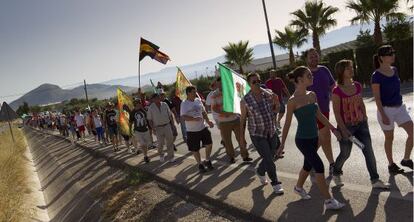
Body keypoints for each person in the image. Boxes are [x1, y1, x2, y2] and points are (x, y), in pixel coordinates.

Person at [279, 66, 345, 210]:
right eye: (309, 76)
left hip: (314, 138)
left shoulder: (312, 95)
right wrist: (282, 144)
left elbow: (319, 115)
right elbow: (287, 124)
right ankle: (328, 201)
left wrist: (333, 129)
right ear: (300, 80)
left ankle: (298, 187)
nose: (312, 77)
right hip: (302, 140)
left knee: (307, 166)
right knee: (319, 166)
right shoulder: (292, 101)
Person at [331, 60, 390, 189]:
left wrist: (365, 118)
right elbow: (336, 113)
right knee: (345, 153)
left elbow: (361, 103)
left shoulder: (357, 85)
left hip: (361, 125)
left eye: (352, 67)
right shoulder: (336, 91)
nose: (352, 70)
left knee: (368, 150)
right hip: (347, 128)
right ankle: (336, 172)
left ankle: (375, 180)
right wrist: (343, 130)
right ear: (341, 71)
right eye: (348, 68)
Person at [372, 45, 413, 173]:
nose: (393, 55)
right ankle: (391, 165)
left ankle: (406, 159)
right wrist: (383, 115)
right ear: (381, 58)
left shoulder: (394, 70)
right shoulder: (376, 75)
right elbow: (377, 98)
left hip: (400, 108)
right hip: (386, 110)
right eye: (390, 54)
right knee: (389, 138)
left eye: (393, 53)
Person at [240, 73, 284, 194]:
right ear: (249, 84)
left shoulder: (268, 94)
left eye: (259, 81)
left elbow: (276, 110)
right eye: (254, 82)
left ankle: (260, 171)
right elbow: (243, 120)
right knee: (269, 159)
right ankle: (275, 183)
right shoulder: (245, 100)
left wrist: (277, 102)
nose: (257, 83)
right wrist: (241, 137)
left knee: (271, 155)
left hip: (271, 130)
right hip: (257, 134)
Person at [305, 48, 336, 177]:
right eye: (311, 57)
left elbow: (332, 86)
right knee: (326, 137)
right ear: (306, 59)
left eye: (316, 56)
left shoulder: (324, 70)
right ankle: (332, 164)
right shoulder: (304, 73)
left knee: (321, 138)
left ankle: (309, 162)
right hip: (311, 112)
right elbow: (300, 91)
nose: (314, 58)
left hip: (325, 109)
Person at [211, 77, 252, 164]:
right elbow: (214, 107)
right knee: (227, 141)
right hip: (223, 122)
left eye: (222, 82)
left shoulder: (231, 91)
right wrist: (224, 112)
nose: (221, 84)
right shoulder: (214, 94)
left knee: (241, 138)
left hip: (235, 119)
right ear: (217, 84)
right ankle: (231, 157)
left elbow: (238, 101)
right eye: (219, 83)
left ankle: (245, 156)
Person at [181, 86, 214, 173]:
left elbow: (203, 112)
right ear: (188, 93)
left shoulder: (197, 100)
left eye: (195, 91)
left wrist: (208, 121)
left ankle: (207, 160)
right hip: (192, 131)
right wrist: (193, 118)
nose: (195, 93)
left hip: (202, 127)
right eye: (193, 92)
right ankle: (200, 164)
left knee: (209, 144)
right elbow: (184, 116)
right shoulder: (184, 103)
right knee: (195, 149)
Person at [147, 93, 175, 162]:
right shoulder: (151, 107)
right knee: (160, 144)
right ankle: (161, 155)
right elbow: (149, 119)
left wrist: (173, 125)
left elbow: (170, 115)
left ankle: (171, 157)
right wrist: (153, 128)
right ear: (153, 99)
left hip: (167, 125)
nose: (158, 99)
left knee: (170, 142)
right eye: (156, 98)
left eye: (158, 97)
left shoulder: (165, 104)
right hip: (158, 128)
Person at [130, 99, 151, 163]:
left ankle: (146, 155)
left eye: (139, 103)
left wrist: (150, 128)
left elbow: (148, 119)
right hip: (138, 131)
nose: (139, 104)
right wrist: (130, 131)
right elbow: (130, 122)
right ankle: (145, 156)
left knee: (146, 144)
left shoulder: (143, 110)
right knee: (142, 143)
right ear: (135, 104)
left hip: (145, 129)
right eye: (138, 103)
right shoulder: (132, 112)